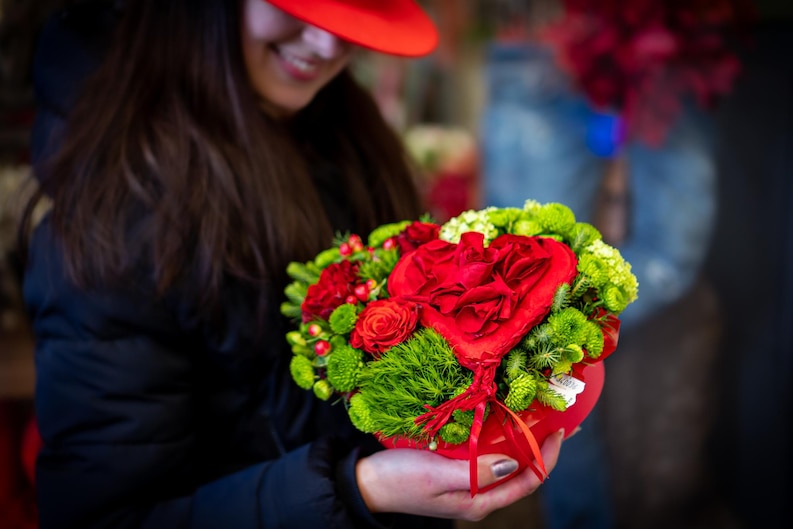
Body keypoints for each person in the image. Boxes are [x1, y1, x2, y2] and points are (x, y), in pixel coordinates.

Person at [19, 1, 564, 528]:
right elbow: (106, 516)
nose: (326, 43)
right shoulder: (114, 222)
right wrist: (362, 491)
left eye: (348, 11)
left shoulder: (340, 133)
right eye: (299, 8)